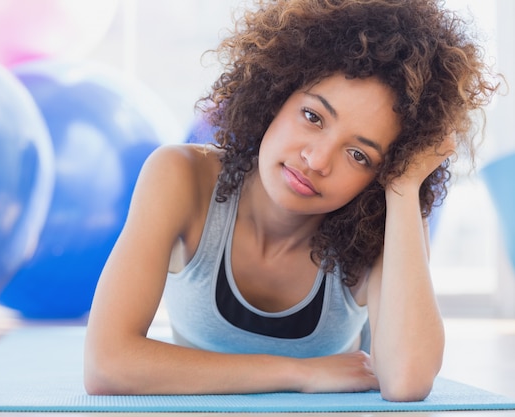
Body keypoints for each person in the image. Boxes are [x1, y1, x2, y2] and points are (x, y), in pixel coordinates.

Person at [84, 0, 499, 402]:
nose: (316, 161)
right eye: (313, 116)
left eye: (359, 155)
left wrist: (404, 187)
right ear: (277, 91)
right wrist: (300, 373)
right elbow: (106, 364)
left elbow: (407, 381)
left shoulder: (383, 219)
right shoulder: (181, 176)